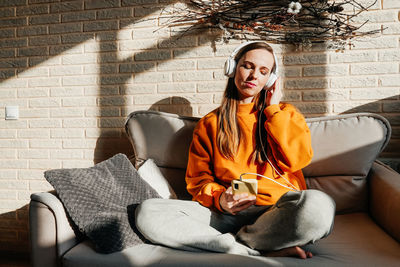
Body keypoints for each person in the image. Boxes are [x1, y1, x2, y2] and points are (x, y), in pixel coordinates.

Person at [135, 41, 336, 259]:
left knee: (320, 206)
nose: (253, 76)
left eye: (263, 71)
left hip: (277, 213)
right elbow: (198, 182)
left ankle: (239, 242)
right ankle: (252, 248)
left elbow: (297, 160)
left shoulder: (285, 114)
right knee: (147, 212)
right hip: (226, 214)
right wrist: (221, 199)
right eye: (247, 66)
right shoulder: (210, 123)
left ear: (271, 80)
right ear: (232, 68)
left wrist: (272, 110)